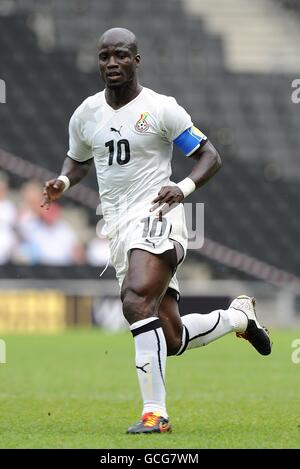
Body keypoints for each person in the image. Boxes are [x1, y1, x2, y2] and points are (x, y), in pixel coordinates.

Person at [41, 27, 272, 434]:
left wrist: (182, 188)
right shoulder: (86, 113)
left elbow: (209, 155)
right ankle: (239, 317)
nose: (112, 63)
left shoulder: (161, 109)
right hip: (116, 225)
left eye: (121, 55)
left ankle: (155, 413)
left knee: (134, 302)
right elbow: (77, 161)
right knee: (171, 337)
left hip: (159, 214)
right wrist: (62, 181)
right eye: (105, 56)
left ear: (137, 60)